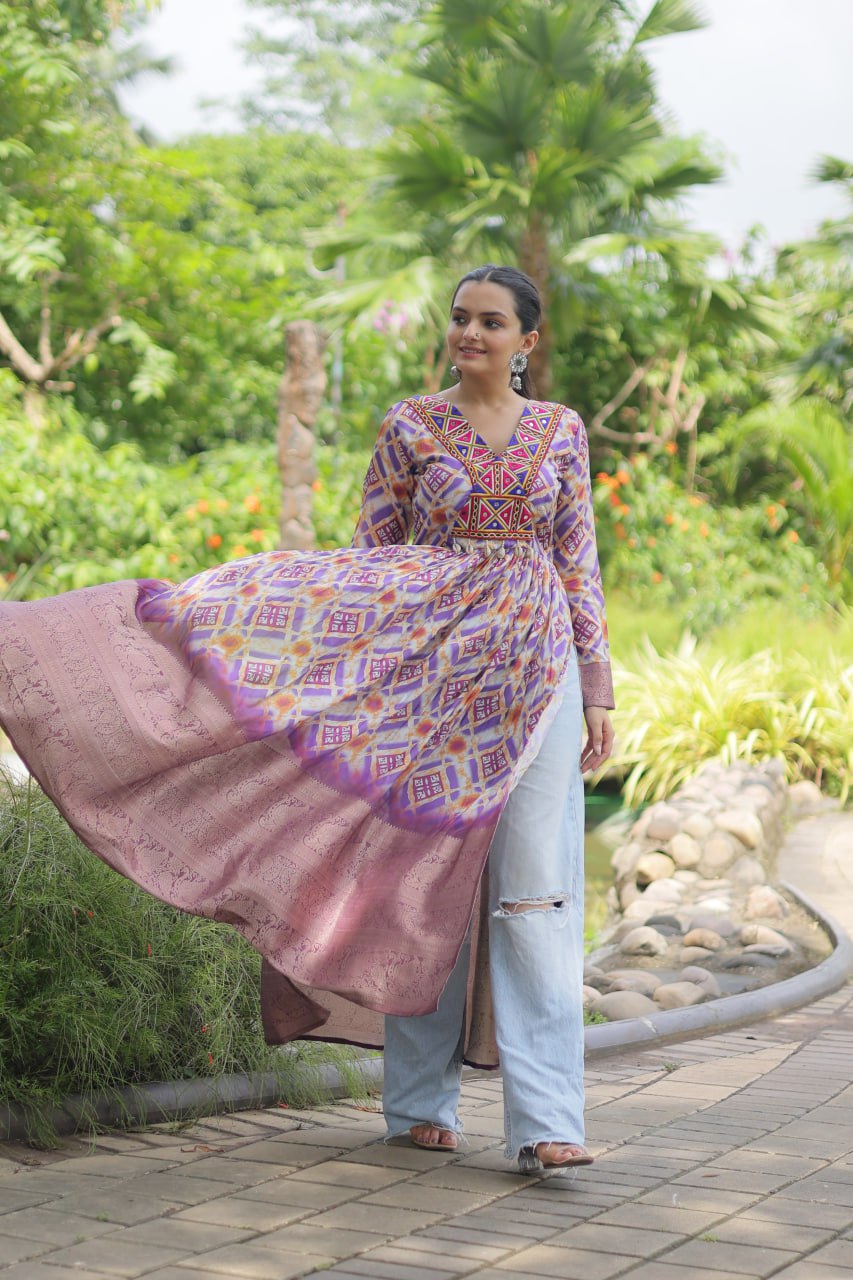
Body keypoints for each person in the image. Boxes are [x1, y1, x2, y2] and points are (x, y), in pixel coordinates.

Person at [0, 263, 613, 1174]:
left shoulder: (560, 431)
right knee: (420, 879)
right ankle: (418, 1103)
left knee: (535, 895)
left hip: (537, 677)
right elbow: (372, 556)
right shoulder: (411, 425)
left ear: (526, 341)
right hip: (426, 680)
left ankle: (547, 1122)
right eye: (459, 317)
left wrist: (596, 685)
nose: (469, 333)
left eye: (490, 322)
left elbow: (576, 562)